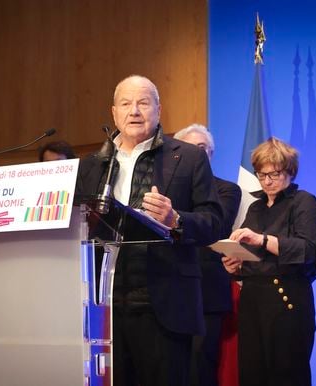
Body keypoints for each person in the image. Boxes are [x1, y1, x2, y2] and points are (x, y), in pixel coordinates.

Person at [76, 75, 223, 386]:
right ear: (113, 112)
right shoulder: (92, 165)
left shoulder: (188, 158)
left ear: (159, 109)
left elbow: (214, 222)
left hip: (164, 308)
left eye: (143, 103)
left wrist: (176, 219)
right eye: (126, 104)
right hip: (105, 307)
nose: (135, 111)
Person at [221, 137, 316, 386]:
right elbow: (250, 254)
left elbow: (308, 249)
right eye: (261, 174)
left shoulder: (303, 202)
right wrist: (234, 265)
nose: (267, 181)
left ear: (289, 171)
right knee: (252, 374)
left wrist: (262, 239)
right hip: (252, 301)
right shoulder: (256, 208)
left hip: (286, 298)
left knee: (286, 375)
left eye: (274, 174)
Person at [174, 124, 241, 386]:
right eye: (193, 149)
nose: (200, 154)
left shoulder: (226, 189)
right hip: (169, 288)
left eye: (205, 149)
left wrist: (175, 219)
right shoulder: (165, 189)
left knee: (201, 365)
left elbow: (215, 226)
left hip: (207, 292)